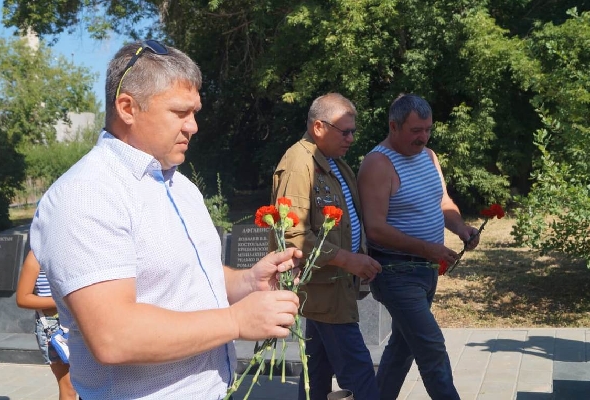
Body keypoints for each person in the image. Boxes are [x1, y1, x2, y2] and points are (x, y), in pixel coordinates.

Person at [29, 40, 301, 400]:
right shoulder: (86, 194)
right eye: (180, 112)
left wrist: (248, 282)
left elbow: (187, 277)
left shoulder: (179, 186)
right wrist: (236, 321)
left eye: (195, 112)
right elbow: (114, 336)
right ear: (128, 108)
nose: (194, 126)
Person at [357, 93, 480, 399]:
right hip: (395, 272)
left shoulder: (429, 157)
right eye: (415, 130)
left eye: (427, 129)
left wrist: (462, 229)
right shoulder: (377, 164)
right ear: (393, 126)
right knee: (431, 347)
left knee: (402, 347)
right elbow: (375, 229)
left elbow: (443, 202)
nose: (423, 137)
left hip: (425, 271)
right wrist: (427, 249)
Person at [271, 93, 382, 400]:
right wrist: (348, 260)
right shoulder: (299, 164)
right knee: (358, 372)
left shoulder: (334, 163)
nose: (351, 138)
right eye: (344, 131)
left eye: (353, 131)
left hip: (333, 286)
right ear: (318, 127)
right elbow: (292, 234)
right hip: (325, 290)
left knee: (317, 372)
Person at [16, 250, 78, 400]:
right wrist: (64, 301)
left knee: (91, 383)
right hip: (54, 327)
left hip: (82, 321)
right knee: (69, 386)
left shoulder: (77, 247)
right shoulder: (37, 252)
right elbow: (23, 298)